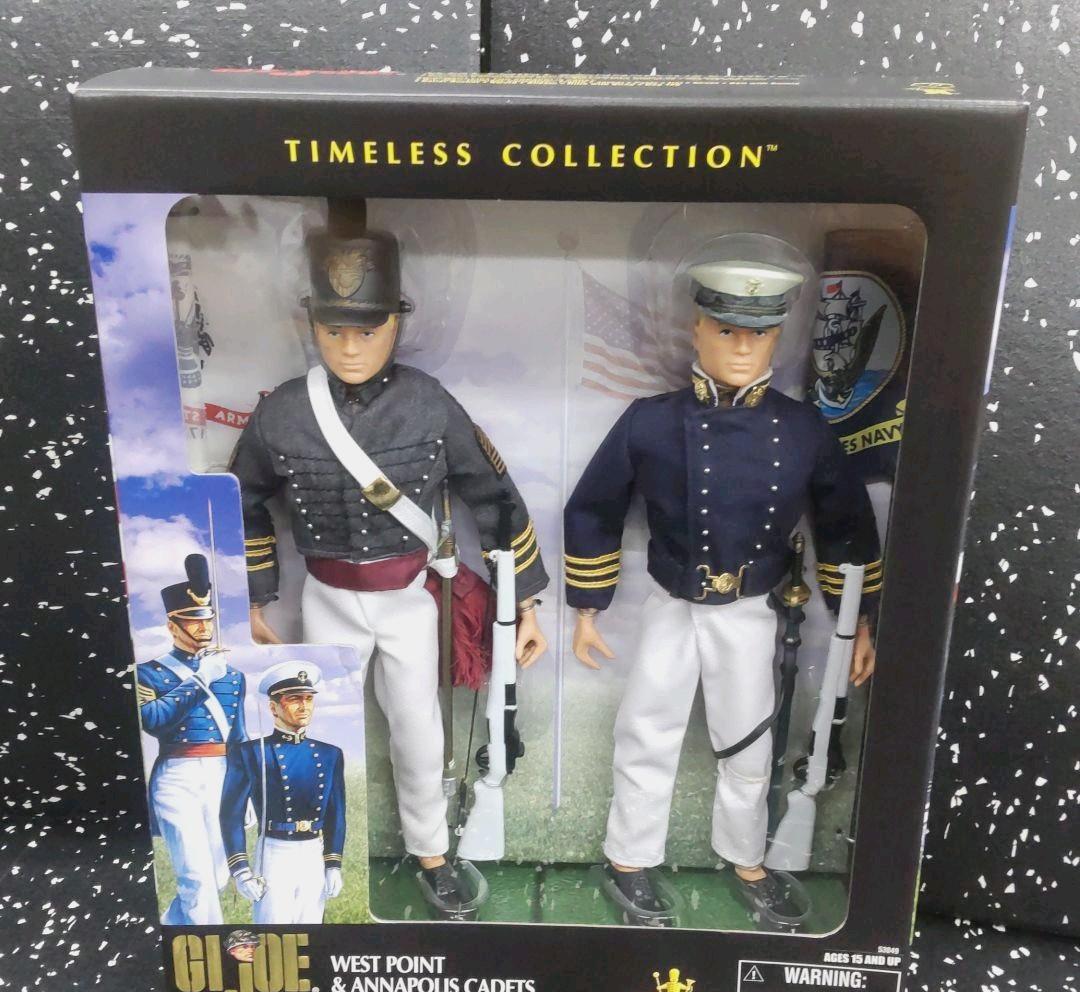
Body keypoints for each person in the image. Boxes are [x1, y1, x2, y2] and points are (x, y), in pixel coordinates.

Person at [229, 231, 549, 915]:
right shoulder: (282, 411)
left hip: (408, 598)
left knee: (419, 732)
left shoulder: (429, 403)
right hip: (326, 599)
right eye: (334, 329)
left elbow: (493, 494)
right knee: (315, 734)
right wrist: (250, 600)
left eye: (368, 330)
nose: (350, 347)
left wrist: (524, 601)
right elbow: (241, 501)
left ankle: (431, 852)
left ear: (395, 325)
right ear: (313, 325)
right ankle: (315, 862)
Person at [564, 259, 882, 926]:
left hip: (752, 611)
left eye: (758, 334)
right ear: (698, 329)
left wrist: (860, 620)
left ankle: (746, 859)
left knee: (749, 741)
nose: (743, 348)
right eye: (728, 330)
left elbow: (845, 526)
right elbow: (594, 506)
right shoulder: (650, 422)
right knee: (646, 731)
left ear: (777, 337)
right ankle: (628, 859)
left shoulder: (803, 430)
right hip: (671, 605)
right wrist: (588, 607)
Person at [137, 554, 246, 925]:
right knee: (196, 878)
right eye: (193, 620)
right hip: (176, 777)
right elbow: (153, 720)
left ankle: (171, 927)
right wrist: (201, 679)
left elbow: (238, 736)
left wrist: (245, 790)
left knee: (217, 875)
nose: (204, 628)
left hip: (222, 775)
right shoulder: (148, 673)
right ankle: (212, 947)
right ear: (173, 625)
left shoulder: (232, 675)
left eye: (208, 619)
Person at [220, 661, 346, 924]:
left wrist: (333, 864)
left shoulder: (330, 754)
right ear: (273, 707)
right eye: (294, 699)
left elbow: (337, 814)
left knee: (311, 928)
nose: (304, 706)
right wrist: (240, 870)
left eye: (308, 699)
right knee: (272, 930)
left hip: (313, 853)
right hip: (274, 852)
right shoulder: (250, 753)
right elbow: (231, 815)